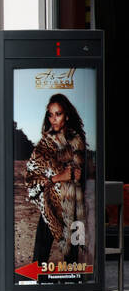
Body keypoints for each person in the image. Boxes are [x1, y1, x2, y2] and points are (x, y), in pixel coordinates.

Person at [26, 93, 87, 265]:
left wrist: (78, 176)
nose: (53, 119)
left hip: (74, 204)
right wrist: (56, 178)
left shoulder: (77, 141)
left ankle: (71, 287)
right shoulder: (44, 144)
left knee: (72, 260)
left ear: (66, 116)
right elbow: (31, 177)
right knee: (40, 256)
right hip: (51, 206)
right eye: (50, 115)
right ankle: (37, 286)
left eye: (58, 114)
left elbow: (82, 175)